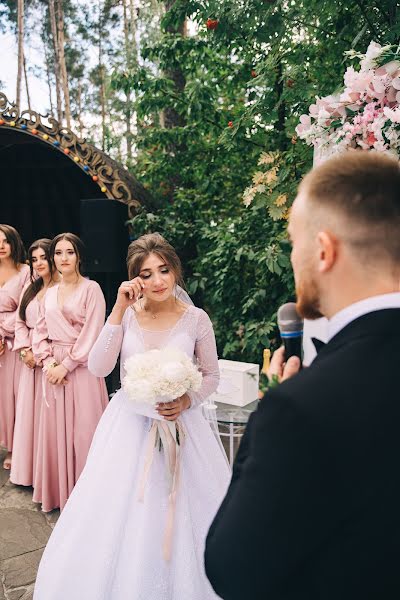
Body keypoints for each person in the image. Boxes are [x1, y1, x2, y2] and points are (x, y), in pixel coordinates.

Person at [205, 151, 400, 600]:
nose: (294, 257)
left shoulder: (299, 408)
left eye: (293, 241)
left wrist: (270, 414)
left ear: (324, 250)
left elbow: (233, 570)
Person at [33, 233, 230, 600]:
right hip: (128, 430)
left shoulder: (195, 319)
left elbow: (212, 375)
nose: (157, 281)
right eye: (146, 273)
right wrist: (118, 311)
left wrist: (187, 400)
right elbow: (98, 366)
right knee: (124, 516)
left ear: (175, 271)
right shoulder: (128, 316)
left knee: (185, 513)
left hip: (181, 431)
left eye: (164, 270)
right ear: (134, 279)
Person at [32, 233, 108, 511]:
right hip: (53, 370)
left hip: (83, 369)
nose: (63, 258)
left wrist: (68, 364)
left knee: (84, 433)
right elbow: (39, 332)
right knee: (55, 435)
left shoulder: (92, 289)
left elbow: (93, 332)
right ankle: (60, 494)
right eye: (59, 253)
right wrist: (49, 363)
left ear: (79, 256)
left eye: (70, 252)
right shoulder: (49, 293)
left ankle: (88, 503)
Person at [11, 239, 61, 487]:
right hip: (28, 361)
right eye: (34, 259)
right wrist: (23, 351)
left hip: (48, 360)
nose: (39, 263)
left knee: (45, 419)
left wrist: (41, 356)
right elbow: (20, 321)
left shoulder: (63, 288)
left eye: (44, 257)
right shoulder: (31, 287)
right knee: (27, 416)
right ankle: (27, 472)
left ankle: (47, 476)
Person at [0, 224, 29, 470]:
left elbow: (26, 309)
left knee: (16, 396)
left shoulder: (26, 272)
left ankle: (16, 448)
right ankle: (6, 444)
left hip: (16, 344)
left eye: (5, 241)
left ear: (14, 243)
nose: (1, 246)